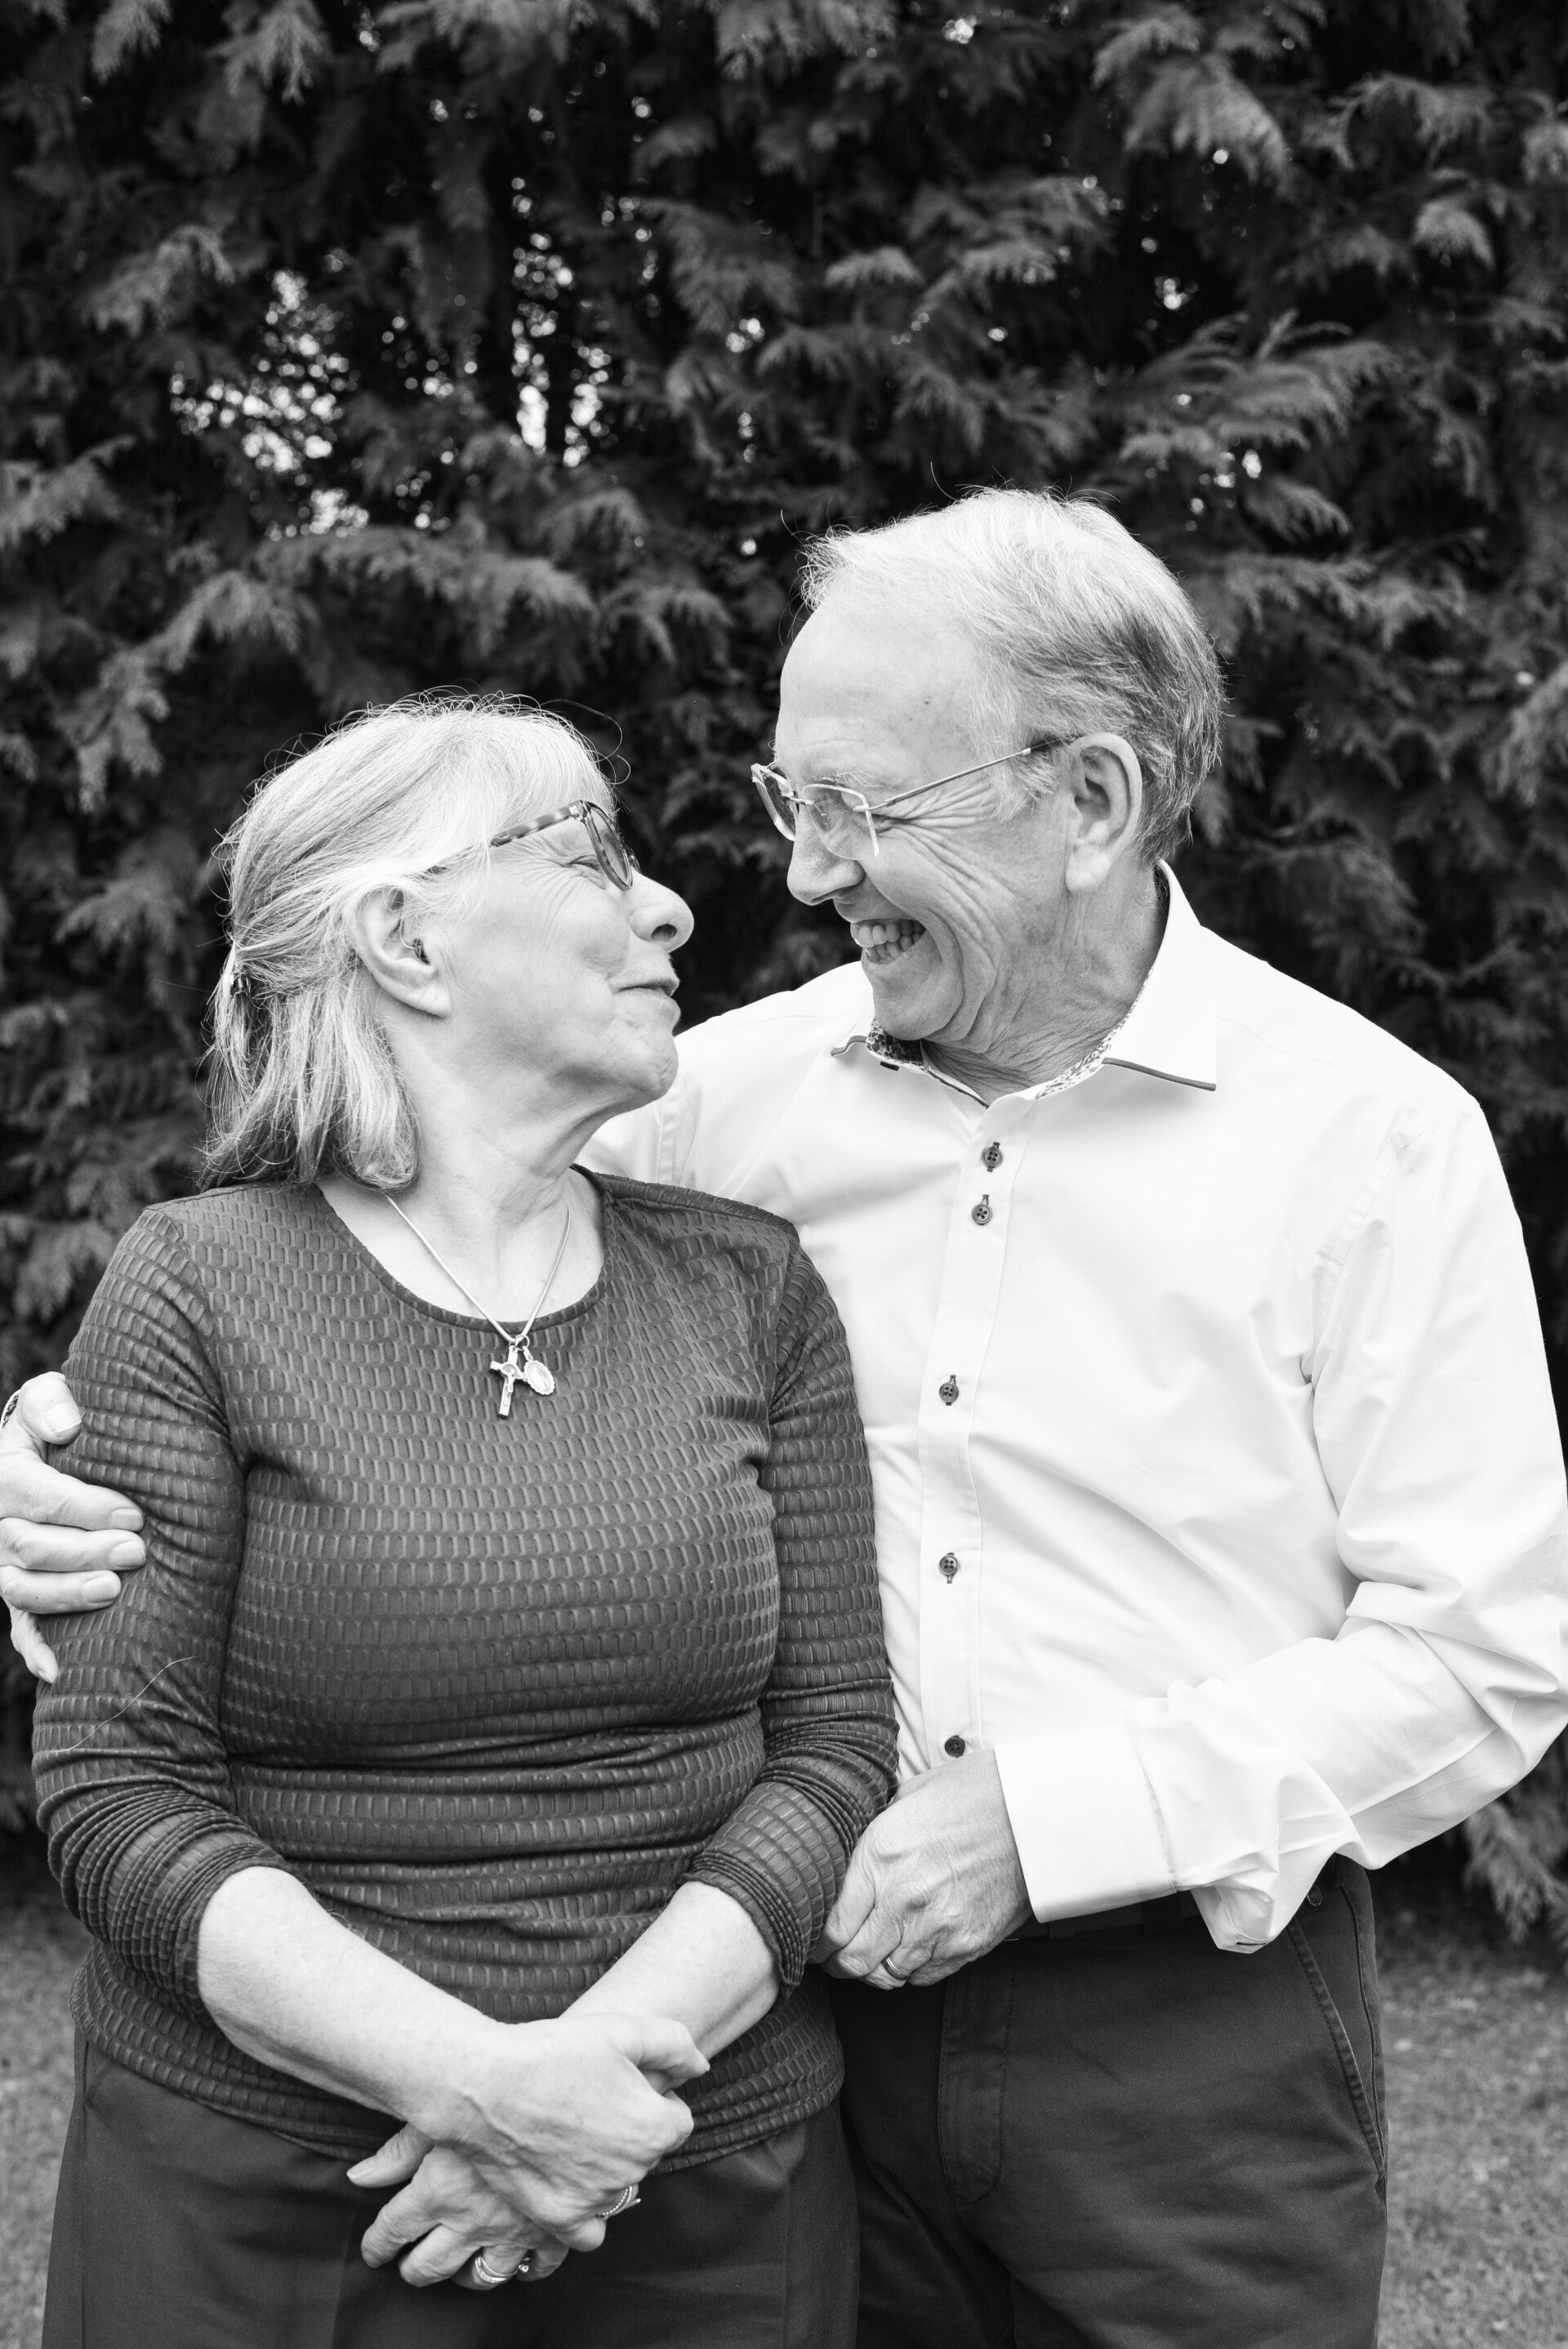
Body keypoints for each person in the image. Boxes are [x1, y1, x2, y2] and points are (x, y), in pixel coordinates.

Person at [7, 488, 1566, 2349]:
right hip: (799, 2027)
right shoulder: (716, 1106)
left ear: (1091, 802)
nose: (809, 872)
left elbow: (1483, 1649)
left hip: (1185, 2033)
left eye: (864, 808)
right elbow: (389, 1267)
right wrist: (54, 1452)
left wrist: (1046, 1826)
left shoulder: (1369, 1141)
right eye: (790, 799)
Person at [16, 698, 896, 2349]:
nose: (670, 907)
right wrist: (476, 2083)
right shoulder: (198, 1291)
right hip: (278, 2203)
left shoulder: (748, 1286)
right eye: (594, 857)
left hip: (698, 2182)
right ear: (406, 940)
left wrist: (591, 2087)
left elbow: (835, 1748)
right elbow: (122, 1792)